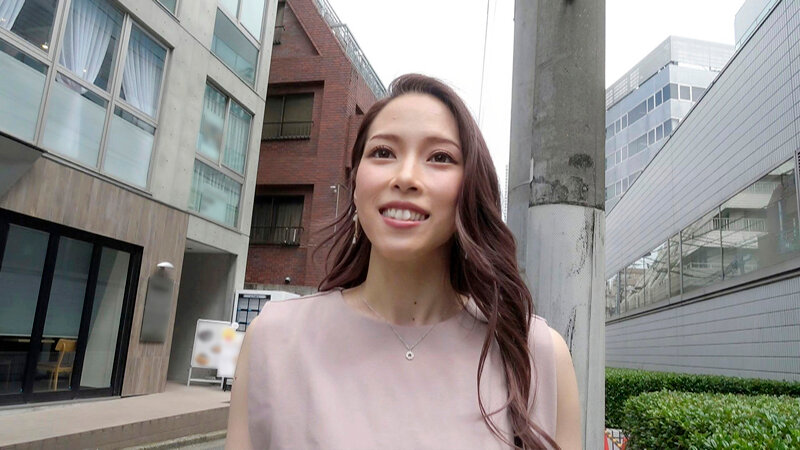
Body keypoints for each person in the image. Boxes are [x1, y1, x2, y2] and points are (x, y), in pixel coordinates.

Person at [226, 74, 581, 449]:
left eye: (440, 157)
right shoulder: (273, 340)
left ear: (471, 188)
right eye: (383, 152)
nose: (406, 177)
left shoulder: (536, 354)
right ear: (356, 183)